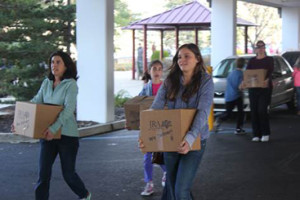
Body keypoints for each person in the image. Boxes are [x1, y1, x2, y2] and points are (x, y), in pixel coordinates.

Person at [12, 51, 91, 200]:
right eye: (52, 62)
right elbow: (36, 101)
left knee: (68, 174)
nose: (54, 65)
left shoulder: (71, 85)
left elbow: (68, 109)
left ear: (66, 66)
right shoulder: (46, 83)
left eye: (58, 62)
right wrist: (18, 121)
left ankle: (84, 195)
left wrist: (53, 128)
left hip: (67, 135)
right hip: (47, 134)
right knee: (43, 175)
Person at [139, 43, 214, 200]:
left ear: (198, 59)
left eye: (187, 56)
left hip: (195, 141)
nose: (182, 60)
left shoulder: (205, 81)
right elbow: (155, 109)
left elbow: (203, 112)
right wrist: (145, 136)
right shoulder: (169, 81)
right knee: (173, 189)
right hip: (171, 140)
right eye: (179, 57)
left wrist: (189, 139)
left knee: (181, 190)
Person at [137, 60, 167, 196]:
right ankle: (149, 183)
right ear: (149, 71)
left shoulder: (167, 87)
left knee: (160, 153)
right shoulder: (145, 89)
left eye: (159, 69)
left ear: (162, 72)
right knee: (147, 155)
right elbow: (137, 106)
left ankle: (166, 172)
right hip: (148, 126)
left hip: (162, 126)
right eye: (154, 68)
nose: (157, 71)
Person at [242, 40, 274, 142]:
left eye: (262, 47)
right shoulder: (252, 61)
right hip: (253, 89)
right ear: (255, 49)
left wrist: (267, 80)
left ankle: (265, 133)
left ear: (265, 48)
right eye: (258, 47)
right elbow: (248, 73)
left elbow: (270, 72)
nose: (260, 49)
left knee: (262, 110)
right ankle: (256, 134)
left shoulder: (269, 59)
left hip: (264, 89)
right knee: (254, 111)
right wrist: (243, 82)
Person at [215, 57, 246, 134]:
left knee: (228, 113)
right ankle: (238, 129)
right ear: (243, 65)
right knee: (240, 113)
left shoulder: (231, 73)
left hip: (228, 96)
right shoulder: (241, 74)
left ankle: (220, 119)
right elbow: (239, 86)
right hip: (237, 96)